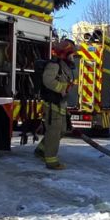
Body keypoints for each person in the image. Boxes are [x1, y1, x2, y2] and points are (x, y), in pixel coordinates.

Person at [34, 38, 76, 170]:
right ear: (65, 53)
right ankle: (51, 161)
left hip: (60, 104)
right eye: (72, 54)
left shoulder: (64, 66)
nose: (73, 57)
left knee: (62, 131)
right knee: (54, 132)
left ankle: (41, 150)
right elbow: (47, 80)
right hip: (52, 105)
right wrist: (62, 88)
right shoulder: (54, 65)